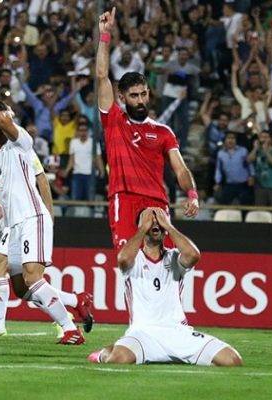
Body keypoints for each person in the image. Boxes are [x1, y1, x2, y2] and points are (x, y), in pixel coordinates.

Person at [0, 100, 85, 344]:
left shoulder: (20, 141)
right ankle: (76, 301)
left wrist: (2, 115)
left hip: (32, 217)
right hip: (13, 226)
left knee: (33, 277)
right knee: (21, 288)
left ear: (5, 117)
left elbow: (41, 179)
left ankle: (69, 329)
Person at [96, 8, 198, 251]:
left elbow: (180, 169)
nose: (140, 100)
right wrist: (105, 36)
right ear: (122, 97)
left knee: (168, 264)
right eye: (134, 96)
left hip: (157, 202)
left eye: (143, 94)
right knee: (127, 260)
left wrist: (192, 194)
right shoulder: (114, 120)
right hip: (123, 197)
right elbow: (102, 76)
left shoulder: (163, 132)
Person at [87, 207, 242, 367]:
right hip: (143, 334)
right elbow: (123, 259)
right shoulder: (135, 258)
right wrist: (142, 228)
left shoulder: (174, 257)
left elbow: (194, 255)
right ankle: (103, 354)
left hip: (178, 334)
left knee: (232, 360)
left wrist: (168, 226)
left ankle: (117, 347)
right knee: (117, 359)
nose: (155, 223)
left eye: (159, 220)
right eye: (150, 220)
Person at [214, 132, 253, 205]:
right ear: (225, 140)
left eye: (233, 138)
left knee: (245, 206)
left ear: (236, 140)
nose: (231, 140)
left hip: (243, 184)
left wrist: (251, 176)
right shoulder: (220, 153)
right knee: (225, 205)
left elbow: (249, 165)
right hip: (229, 184)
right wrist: (217, 182)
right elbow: (218, 169)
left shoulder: (243, 150)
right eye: (228, 138)